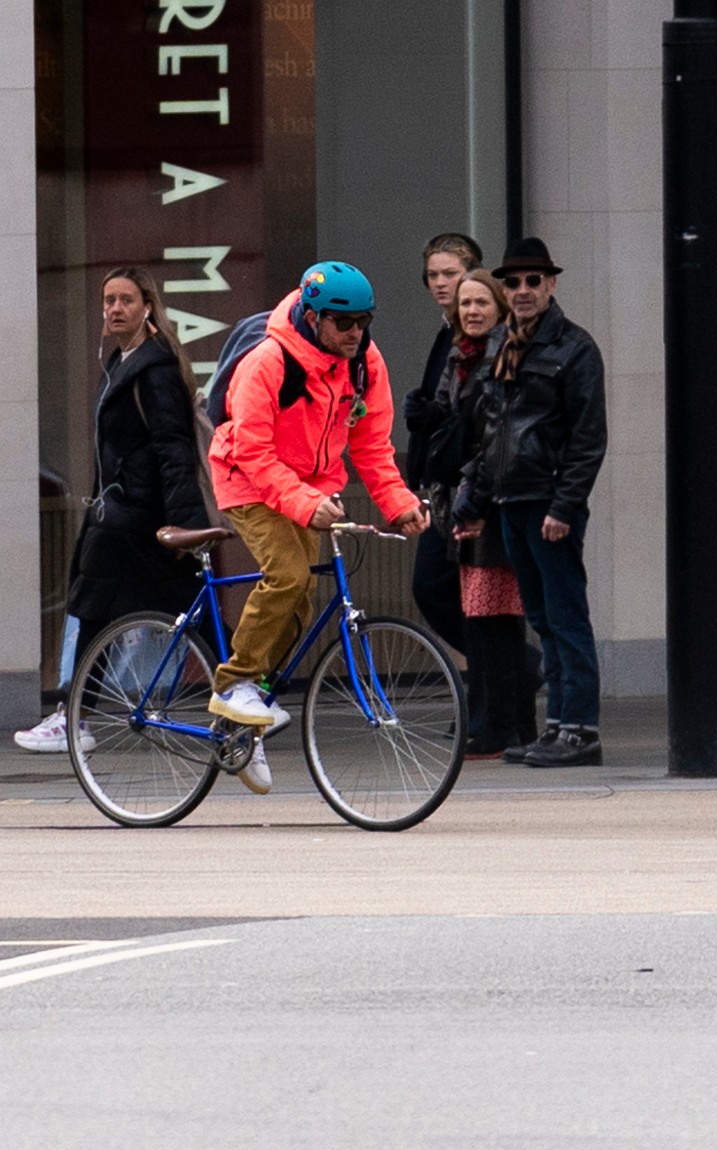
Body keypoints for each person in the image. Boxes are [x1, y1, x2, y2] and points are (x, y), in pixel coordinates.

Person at [205, 261, 429, 792]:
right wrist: (304, 502)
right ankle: (233, 684)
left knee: (301, 603)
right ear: (312, 316)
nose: (355, 333)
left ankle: (244, 719)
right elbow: (254, 453)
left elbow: (372, 445)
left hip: (309, 486)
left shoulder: (365, 364)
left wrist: (398, 503)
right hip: (248, 480)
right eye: (343, 322)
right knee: (288, 576)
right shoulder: (268, 362)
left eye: (365, 321)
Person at [15, 268, 210, 755]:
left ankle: (73, 715)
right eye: (108, 300)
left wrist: (185, 523)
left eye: (125, 299)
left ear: (148, 306)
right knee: (146, 607)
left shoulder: (154, 369)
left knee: (101, 606)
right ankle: (245, 691)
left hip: (135, 516)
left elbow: (173, 448)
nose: (114, 308)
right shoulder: (126, 360)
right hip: (126, 512)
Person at [453, 237, 607, 768]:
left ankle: (579, 728)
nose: (522, 290)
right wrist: (473, 499)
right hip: (511, 500)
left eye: (533, 281)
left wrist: (564, 508)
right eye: (513, 282)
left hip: (547, 502)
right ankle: (559, 726)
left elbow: (588, 439)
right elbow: (490, 432)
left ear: (551, 285)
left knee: (565, 616)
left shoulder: (574, 348)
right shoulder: (504, 345)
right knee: (542, 618)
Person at [443, 269, 538, 758]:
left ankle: (501, 726)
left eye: (482, 302)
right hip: (476, 496)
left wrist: (472, 501)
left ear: (500, 308)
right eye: (465, 304)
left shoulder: (503, 357)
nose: (472, 311)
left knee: (494, 620)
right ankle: (512, 725)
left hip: (490, 503)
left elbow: (493, 437)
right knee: (488, 619)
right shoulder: (461, 358)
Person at [403, 233, 481, 658]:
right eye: (432, 275)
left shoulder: (475, 335)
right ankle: (504, 682)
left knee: (443, 588)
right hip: (444, 484)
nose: (439, 282)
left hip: (465, 484)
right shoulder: (446, 334)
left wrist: (432, 416)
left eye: (450, 273)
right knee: (448, 591)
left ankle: (516, 673)